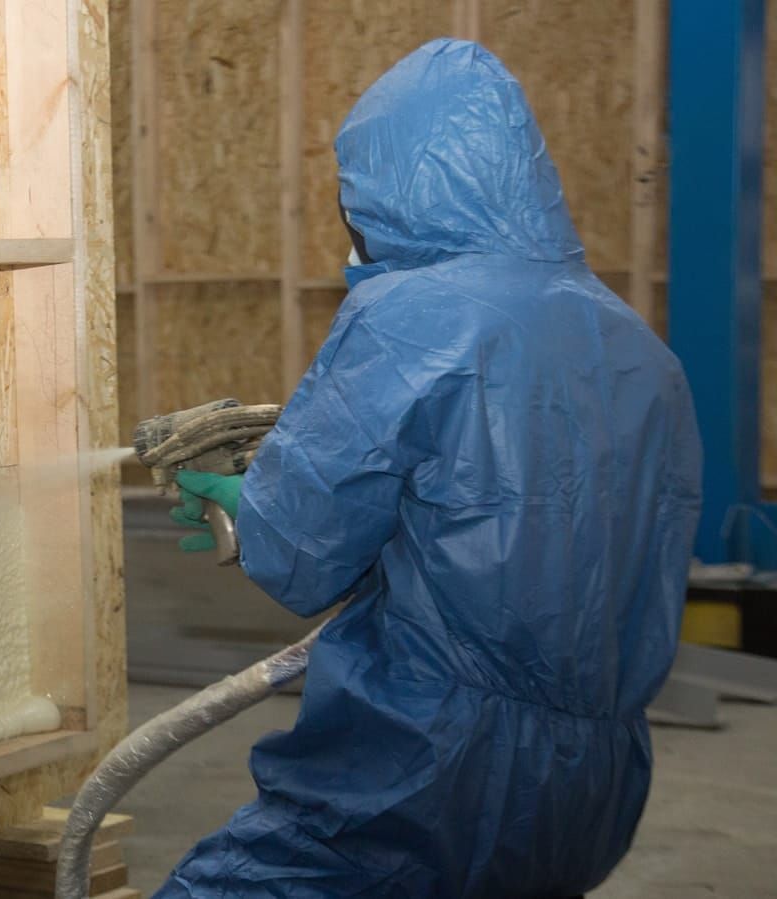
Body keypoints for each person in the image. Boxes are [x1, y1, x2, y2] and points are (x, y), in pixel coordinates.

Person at [161, 38, 702, 898]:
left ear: (388, 185)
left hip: (426, 765)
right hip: (598, 780)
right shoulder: (640, 349)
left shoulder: (408, 314)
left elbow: (301, 557)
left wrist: (246, 503)